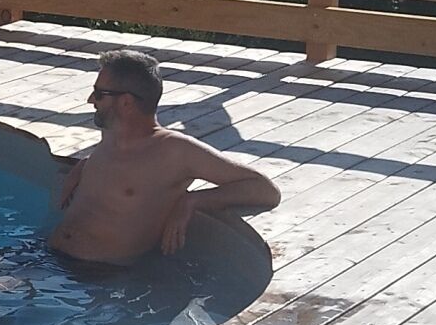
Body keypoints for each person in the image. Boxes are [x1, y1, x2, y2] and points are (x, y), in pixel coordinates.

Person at [49, 50, 280, 263]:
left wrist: (193, 201)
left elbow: (265, 190)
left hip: (97, 278)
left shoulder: (175, 150)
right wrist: (86, 167)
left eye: (100, 94)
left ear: (126, 102)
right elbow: (125, 171)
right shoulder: (112, 135)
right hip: (50, 258)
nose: (91, 100)